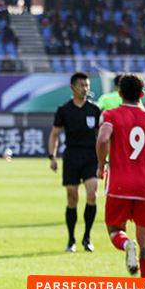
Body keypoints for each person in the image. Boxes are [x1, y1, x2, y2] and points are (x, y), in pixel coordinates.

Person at [96, 73, 145, 278]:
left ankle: (126, 244)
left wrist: (100, 164)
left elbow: (103, 138)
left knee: (114, 230)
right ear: (142, 93)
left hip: (119, 184)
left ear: (120, 93)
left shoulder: (111, 115)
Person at [48, 72, 101, 253]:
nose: (85, 89)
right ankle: (71, 239)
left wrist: (105, 159)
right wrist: (52, 156)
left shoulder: (94, 110)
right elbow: (54, 134)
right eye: (81, 85)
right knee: (72, 197)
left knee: (92, 193)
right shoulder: (64, 110)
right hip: (71, 156)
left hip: (90, 157)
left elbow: (102, 138)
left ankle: (87, 237)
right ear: (72, 87)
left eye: (87, 85)